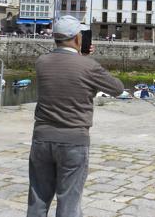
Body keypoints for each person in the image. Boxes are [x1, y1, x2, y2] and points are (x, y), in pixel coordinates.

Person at [27, 15, 124, 217]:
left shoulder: (41, 62)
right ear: (78, 38)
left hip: (42, 138)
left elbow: (64, 70)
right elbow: (117, 88)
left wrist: (81, 56)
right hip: (74, 140)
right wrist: (86, 58)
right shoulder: (88, 66)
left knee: (38, 199)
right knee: (69, 202)